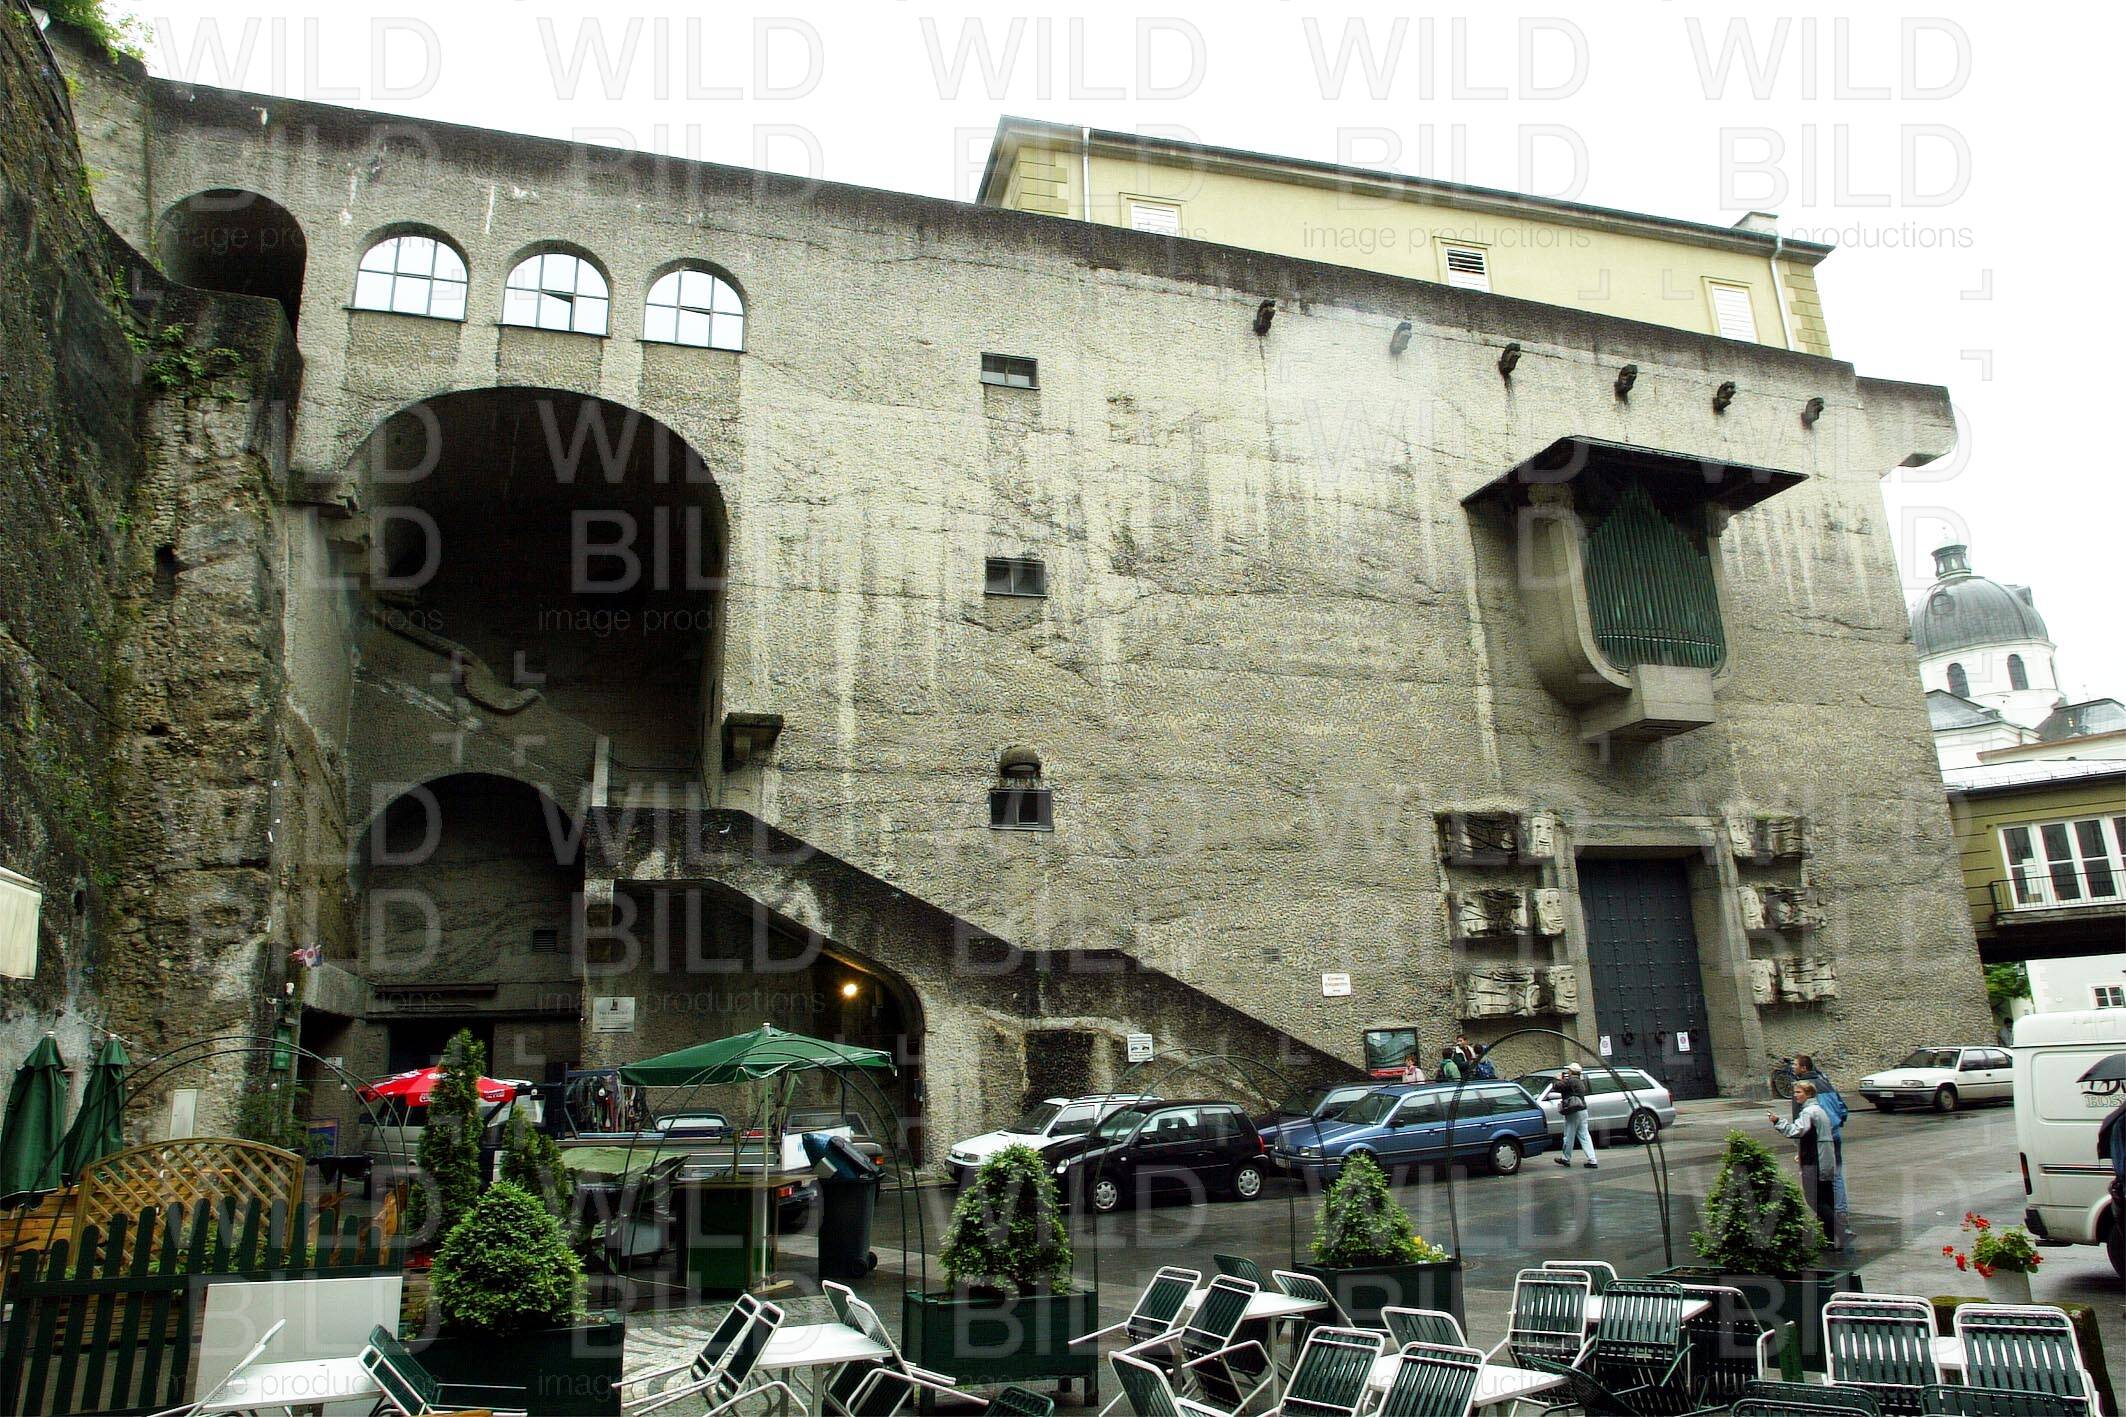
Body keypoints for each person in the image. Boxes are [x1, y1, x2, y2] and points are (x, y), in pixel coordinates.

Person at [1770, 1080, 1841, 1249]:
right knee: (1826, 1199)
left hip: (1814, 1161)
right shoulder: (1819, 1110)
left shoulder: (1809, 1112)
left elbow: (1796, 1131)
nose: (1795, 1095)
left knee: (1814, 1198)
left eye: (1798, 1092)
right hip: (1823, 1159)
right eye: (1795, 1092)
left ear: (1808, 1094)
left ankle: (1838, 1232)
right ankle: (1831, 1238)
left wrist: (1778, 1121)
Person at [1793, 1054, 1850, 1232]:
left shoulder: (1802, 1089)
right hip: (1834, 1134)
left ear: (1803, 1068)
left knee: (1816, 1186)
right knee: (1835, 1175)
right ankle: (1840, 1214)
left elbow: (1799, 1125)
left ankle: (1832, 1223)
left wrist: (1800, 1148)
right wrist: (1837, 1123)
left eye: (1795, 1064)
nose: (1793, 1067)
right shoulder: (1825, 1082)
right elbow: (1842, 1109)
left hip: (1817, 1140)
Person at [1554, 1061, 1598, 1169]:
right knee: (1585, 1135)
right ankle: (1592, 1159)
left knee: (1569, 1135)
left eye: (1569, 1070)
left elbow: (1557, 1087)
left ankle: (1566, 1158)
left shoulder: (1570, 1081)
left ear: (1571, 1072)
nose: (1567, 1072)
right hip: (1583, 1110)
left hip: (1573, 1111)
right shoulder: (1580, 1081)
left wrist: (1558, 1079)